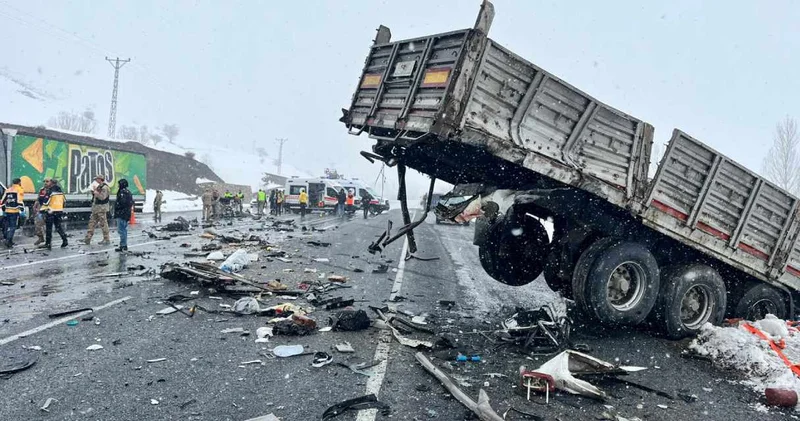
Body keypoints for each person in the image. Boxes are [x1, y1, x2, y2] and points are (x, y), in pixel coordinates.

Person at [82, 175, 111, 245]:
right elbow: (96, 197)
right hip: (96, 208)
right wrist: (93, 192)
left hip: (101, 208)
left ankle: (106, 239)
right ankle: (87, 239)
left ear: (100, 179)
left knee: (103, 224)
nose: (95, 181)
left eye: (97, 179)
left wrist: (96, 192)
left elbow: (102, 197)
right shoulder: (99, 187)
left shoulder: (105, 187)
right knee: (91, 223)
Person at [42, 179, 68, 250]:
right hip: (59, 211)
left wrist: (43, 209)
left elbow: (45, 202)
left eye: (48, 182)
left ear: (52, 183)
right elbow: (64, 201)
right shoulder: (60, 192)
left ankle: (48, 243)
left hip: (51, 211)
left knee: (49, 228)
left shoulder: (50, 191)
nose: (46, 183)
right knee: (58, 227)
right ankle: (64, 240)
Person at [0, 178, 24, 248]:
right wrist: (21, 207)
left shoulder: (8, 189)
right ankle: (8, 240)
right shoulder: (19, 189)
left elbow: (3, 199)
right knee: (13, 227)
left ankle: (9, 240)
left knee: (7, 226)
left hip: (7, 210)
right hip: (14, 211)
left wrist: (3, 206)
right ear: (19, 182)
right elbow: (19, 199)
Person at [114, 179, 133, 252]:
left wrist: (118, 208)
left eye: (119, 184)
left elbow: (122, 203)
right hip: (126, 213)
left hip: (122, 213)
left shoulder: (122, 193)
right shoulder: (128, 192)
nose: (118, 185)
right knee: (123, 229)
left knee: (121, 230)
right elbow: (129, 203)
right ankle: (123, 245)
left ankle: (123, 245)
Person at [32, 179, 50, 246]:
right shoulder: (42, 190)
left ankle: (48, 241)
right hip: (41, 209)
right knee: (38, 225)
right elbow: (38, 198)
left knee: (48, 226)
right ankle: (41, 238)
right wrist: (35, 205)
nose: (45, 183)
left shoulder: (52, 190)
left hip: (48, 210)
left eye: (47, 181)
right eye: (44, 181)